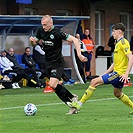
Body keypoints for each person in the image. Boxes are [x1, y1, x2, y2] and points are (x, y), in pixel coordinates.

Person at [69, 22, 133, 114]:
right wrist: (105, 73)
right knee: (117, 93)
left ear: (119, 32)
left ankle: (79, 104)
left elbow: (130, 57)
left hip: (119, 74)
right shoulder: (118, 44)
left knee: (93, 82)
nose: (112, 33)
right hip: (117, 73)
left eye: (114, 31)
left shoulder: (123, 42)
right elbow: (115, 63)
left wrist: (126, 73)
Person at [29, 15, 87, 114]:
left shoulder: (57, 32)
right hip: (47, 62)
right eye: (42, 25)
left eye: (45, 25)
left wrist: (79, 54)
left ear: (51, 23)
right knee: (54, 87)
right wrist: (32, 42)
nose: (43, 27)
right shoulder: (40, 31)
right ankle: (72, 101)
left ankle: (72, 101)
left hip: (58, 62)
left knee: (52, 84)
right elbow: (34, 44)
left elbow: (75, 40)